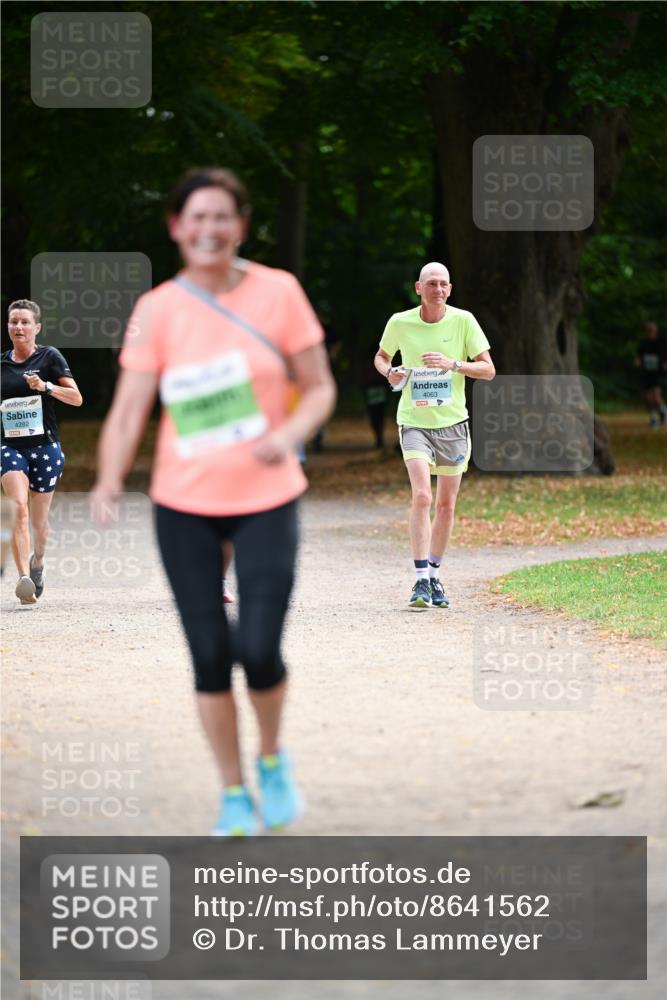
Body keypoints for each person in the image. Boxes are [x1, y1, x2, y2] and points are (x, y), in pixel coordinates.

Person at [91, 167, 336, 836]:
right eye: (195, 217)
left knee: (256, 648)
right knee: (207, 653)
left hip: (266, 496)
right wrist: (109, 478)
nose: (208, 228)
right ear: (176, 227)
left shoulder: (278, 293)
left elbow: (317, 388)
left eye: (221, 216)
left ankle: (272, 759)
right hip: (183, 504)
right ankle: (232, 793)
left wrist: (285, 435)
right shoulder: (156, 310)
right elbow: (127, 410)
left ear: (240, 226)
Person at [374, 262, 495, 610]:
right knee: (423, 496)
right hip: (413, 421)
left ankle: (436, 574)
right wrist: (391, 373)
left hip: (454, 424)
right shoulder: (400, 322)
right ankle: (420, 580)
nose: (437, 290)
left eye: (443, 284)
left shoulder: (464, 321)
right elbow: (381, 357)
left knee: (446, 504)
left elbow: (488, 369)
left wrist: (453, 364)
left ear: (450, 289)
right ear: (418, 288)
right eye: (431, 284)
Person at [1, 300, 83, 604]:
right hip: (9, 448)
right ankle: (23, 580)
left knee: (39, 523)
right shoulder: (2, 365)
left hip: (45, 449)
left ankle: (37, 563)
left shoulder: (50, 357)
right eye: (13, 322)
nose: (18, 327)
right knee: (18, 508)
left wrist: (45, 387)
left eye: (24, 322)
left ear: (37, 327)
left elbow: (76, 398)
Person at [634, 321, 667, 427]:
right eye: (648, 331)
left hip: (658, 372)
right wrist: (638, 361)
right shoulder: (644, 343)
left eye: (652, 331)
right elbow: (639, 355)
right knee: (646, 397)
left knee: (656, 396)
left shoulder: (662, 342)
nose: (650, 333)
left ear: (656, 331)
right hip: (646, 371)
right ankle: (653, 417)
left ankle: (664, 413)